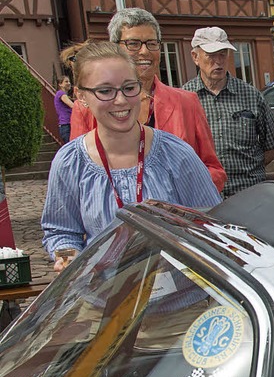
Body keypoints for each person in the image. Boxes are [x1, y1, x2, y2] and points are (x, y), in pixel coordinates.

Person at [42, 42, 221, 270]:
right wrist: (68, 259)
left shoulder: (176, 154)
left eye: (129, 88)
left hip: (179, 301)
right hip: (103, 299)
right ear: (81, 96)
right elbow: (61, 231)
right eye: (105, 91)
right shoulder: (70, 162)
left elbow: (211, 226)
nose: (120, 100)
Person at [70, 8, 226, 194]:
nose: (144, 51)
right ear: (115, 48)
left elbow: (214, 170)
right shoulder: (88, 106)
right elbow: (77, 175)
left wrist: (182, 194)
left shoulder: (186, 102)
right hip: (116, 217)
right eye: (133, 44)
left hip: (177, 217)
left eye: (152, 43)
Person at [183, 27, 274, 199]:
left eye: (223, 54)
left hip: (249, 192)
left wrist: (252, 166)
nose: (218, 61)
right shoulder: (184, 98)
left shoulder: (250, 95)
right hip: (205, 194)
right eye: (211, 55)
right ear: (195, 57)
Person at [54, 76, 73, 143]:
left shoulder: (63, 94)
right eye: (66, 81)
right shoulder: (61, 93)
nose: (69, 83)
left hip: (67, 125)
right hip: (66, 125)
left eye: (69, 81)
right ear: (60, 84)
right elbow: (72, 105)